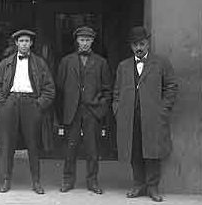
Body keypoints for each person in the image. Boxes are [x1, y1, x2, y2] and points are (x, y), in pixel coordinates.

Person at [113, 26, 178, 202]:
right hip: (130, 116)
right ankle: (138, 184)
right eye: (135, 45)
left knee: (152, 151)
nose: (139, 48)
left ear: (148, 43)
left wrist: (163, 110)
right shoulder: (123, 66)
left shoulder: (161, 63)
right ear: (131, 46)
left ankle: (152, 187)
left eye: (142, 44)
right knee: (134, 151)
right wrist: (118, 109)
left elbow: (171, 86)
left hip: (153, 116)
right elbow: (117, 91)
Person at [0, 29, 55, 194]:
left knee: (33, 144)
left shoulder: (40, 63)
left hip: (31, 103)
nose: (24, 44)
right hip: (9, 103)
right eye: (21, 41)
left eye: (27, 41)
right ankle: (5, 180)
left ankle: (36, 181)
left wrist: (39, 105)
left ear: (31, 43)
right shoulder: (6, 63)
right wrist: (1, 105)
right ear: (16, 43)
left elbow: (49, 88)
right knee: (7, 144)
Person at [56, 25, 111, 194]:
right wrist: (61, 114)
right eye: (82, 40)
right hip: (72, 111)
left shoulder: (101, 62)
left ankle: (92, 181)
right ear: (77, 41)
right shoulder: (66, 61)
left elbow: (107, 89)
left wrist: (99, 108)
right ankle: (67, 180)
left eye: (88, 40)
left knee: (92, 149)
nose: (85, 43)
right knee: (70, 148)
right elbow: (59, 88)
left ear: (92, 41)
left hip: (92, 112)